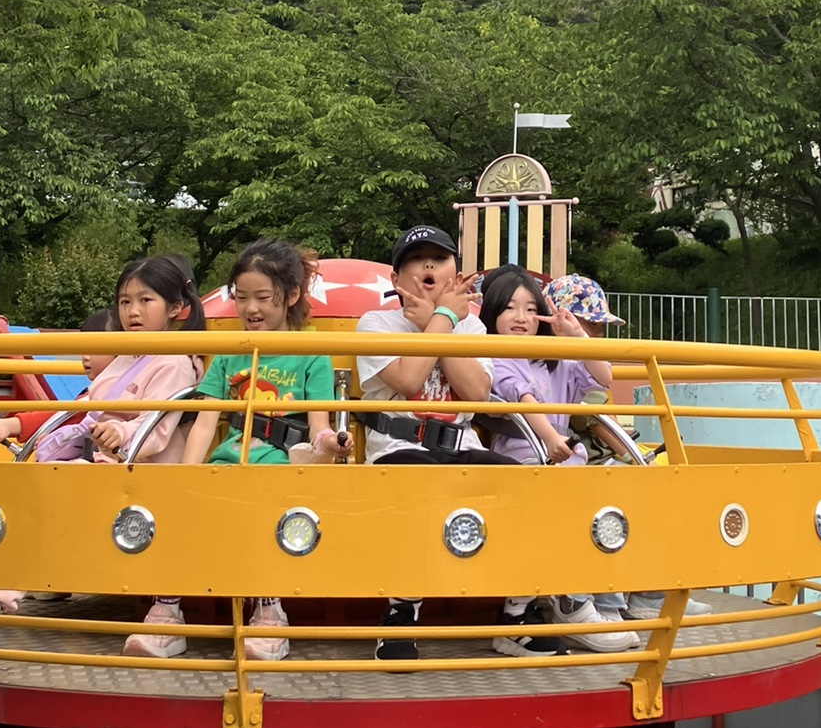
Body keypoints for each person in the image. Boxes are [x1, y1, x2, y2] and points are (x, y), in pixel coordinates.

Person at [0, 257, 205, 657]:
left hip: (141, 469)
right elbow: (83, 408)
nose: (133, 311)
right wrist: (21, 426)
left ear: (177, 308)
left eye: (145, 300)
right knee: (22, 493)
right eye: (125, 302)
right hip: (105, 464)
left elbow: (158, 427)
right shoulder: (125, 356)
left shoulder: (175, 362)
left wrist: (120, 433)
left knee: (48, 499)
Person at [180, 237, 352, 662]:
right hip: (228, 460)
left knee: (266, 512)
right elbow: (205, 422)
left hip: (280, 464)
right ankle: (168, 609)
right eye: (241, 297)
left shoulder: (310, 354)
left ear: (290, 296)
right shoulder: (229, 354)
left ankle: (270, 613)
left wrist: (333, 444)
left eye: (262, 297)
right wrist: (184, 475)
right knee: (186, 507)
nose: (250, 309)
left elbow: (318, 428)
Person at [355, 225, 520, 662]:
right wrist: (443, 320)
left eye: (439, 257)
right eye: (415, 258)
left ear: (455, 274)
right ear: (396, 279)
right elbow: (408, 381)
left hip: (461, 444)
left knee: (526, 485)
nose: (428, 264)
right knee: (414, 481)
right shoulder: (375, 323)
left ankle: (518, 614)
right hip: (400, 445)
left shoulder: (472, 326)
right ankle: (400, 613)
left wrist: (437, 322)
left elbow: (476, 393)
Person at [483, 268, 640, 655]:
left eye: (530, 308)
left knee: (613, 503)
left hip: (565, 461)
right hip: (524, 459)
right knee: (564, 512)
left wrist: (577, 338)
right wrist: (552, 439)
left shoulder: (558, 361)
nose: (521, 317)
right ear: (492, 313)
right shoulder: (496, 358)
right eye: (509, 308)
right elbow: (523, 400)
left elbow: (603, 376)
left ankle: (607, 601)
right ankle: (573, 605)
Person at [541, 274, 712, 623]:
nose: (598, 335)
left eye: (599, 328)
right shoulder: (568, 363)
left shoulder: (584, 362)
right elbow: (598, 422)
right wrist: (635, 457)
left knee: (657, 496)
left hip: (596, 456)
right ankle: (613, 599)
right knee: (622, 500)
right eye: (591, 326)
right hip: (583, 459)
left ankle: (649, 591)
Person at [0, 308, 114, 449]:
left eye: (96, 349)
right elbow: (69, 418)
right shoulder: (98, 391)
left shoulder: (109, 393)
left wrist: (9, 425)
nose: (85, 357)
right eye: (84, 349)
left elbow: (64, 415)